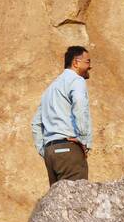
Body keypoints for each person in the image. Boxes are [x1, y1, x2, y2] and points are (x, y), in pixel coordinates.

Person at [31, 44, 92, 185]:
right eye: (87, 61)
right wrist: (83, 140)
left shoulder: (50, 88)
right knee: (77, 201)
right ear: (76, 63)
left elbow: (35, 123)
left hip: (51, 153)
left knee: (58, 204)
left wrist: (44, 150)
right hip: (69, 150)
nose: (90, 66)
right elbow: (79, 104)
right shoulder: (76, 80)